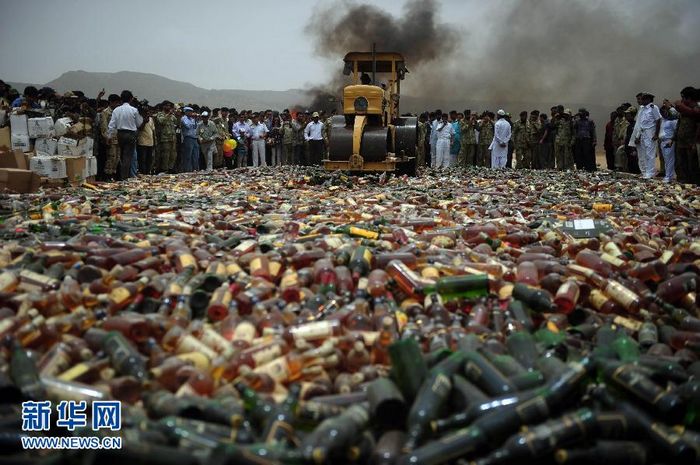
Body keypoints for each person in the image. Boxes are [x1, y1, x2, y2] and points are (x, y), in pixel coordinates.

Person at [107, 90, 143, 180]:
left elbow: (111, 125)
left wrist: (109, 136)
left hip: (120, 134)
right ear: (131, 99)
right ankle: (125, 176)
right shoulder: (134, 110)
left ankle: (121, 175)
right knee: (128, 156)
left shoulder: (116, 110)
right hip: (130, 134)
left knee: (121, 155)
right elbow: (139, 123)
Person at [629, 93, 661, 178]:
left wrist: (656, 134)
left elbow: (658, 120)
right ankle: (645, 172)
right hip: (642, 133)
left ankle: (650, 173)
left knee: (650, 154)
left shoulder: (653, 108)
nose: (641, 101)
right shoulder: (642, 109)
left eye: (643, 99)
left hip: (650, 133)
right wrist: (637, 136)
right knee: (643, 154)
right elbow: (640, 124)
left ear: (648, 100)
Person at [673, 86, 699, 184]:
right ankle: (684, 183)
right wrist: (674, 138)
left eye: (684, 98)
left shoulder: (696, 108)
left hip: (691, 142)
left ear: (689, 98)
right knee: (681, 164)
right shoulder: (683, 111)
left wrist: (694, 142)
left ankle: (694, 185)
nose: (682, 100)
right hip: (681, 142)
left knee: (692, 165)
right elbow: (679, 124)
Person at [100, 94, 121, 180]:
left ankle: (114, 174)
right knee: (111, 157)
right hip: (110, 138)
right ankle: (107, 175)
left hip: (118, 138)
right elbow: (104, 127)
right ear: (111, 102)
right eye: (116, 102)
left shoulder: (118, 112)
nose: (117, 104)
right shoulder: (105, 112)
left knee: (117, 158)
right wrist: (107, 138)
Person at [154, 101, 178, 173]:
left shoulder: (172, 115)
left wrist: (178, 115)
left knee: (173, 155)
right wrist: (168, 115)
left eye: (170, 106)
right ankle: (164, 169)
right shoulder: (160, 114)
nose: (169, 107)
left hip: (172, 138)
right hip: (164, 138)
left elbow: (177, 123)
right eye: (167, 106)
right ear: (163, 106)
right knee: (165, 155)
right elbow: (162, 122)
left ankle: (170, 168)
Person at [658, 106, 678, 183]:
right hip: (662, 141)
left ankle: (668, 176)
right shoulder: (663, 120)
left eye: (664, 112)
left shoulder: (672, 120)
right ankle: (670, 175)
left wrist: (671, 140)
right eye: (661, 112)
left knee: (669, 159)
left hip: (668, 141)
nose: (663, 114)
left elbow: (675, 131)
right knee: (666, 160)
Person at [137, 107, 156, 175]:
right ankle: (142, 172)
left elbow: (153, 130)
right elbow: (140, 129)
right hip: (142, 142)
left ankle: (148, 172)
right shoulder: (139, 119)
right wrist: (144, 122)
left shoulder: (151, 119)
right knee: (142, 159)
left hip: (150, 142)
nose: (147, 113)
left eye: (148, 112)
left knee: (149, 159)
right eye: (146, 112)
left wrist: (154, 141)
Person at [180, 106, 199, 172]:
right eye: (190, 111)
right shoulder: (184, 118)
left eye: (192, 111)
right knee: (188, 155)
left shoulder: (192, 119)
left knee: (195, 154)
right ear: (186, 112)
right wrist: (193, 119)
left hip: (195, 138)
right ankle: (188, 169)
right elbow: (188, 126)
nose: (191, 113)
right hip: (188, 138)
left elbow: (196, 127)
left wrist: (196, 120)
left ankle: (195, 169)